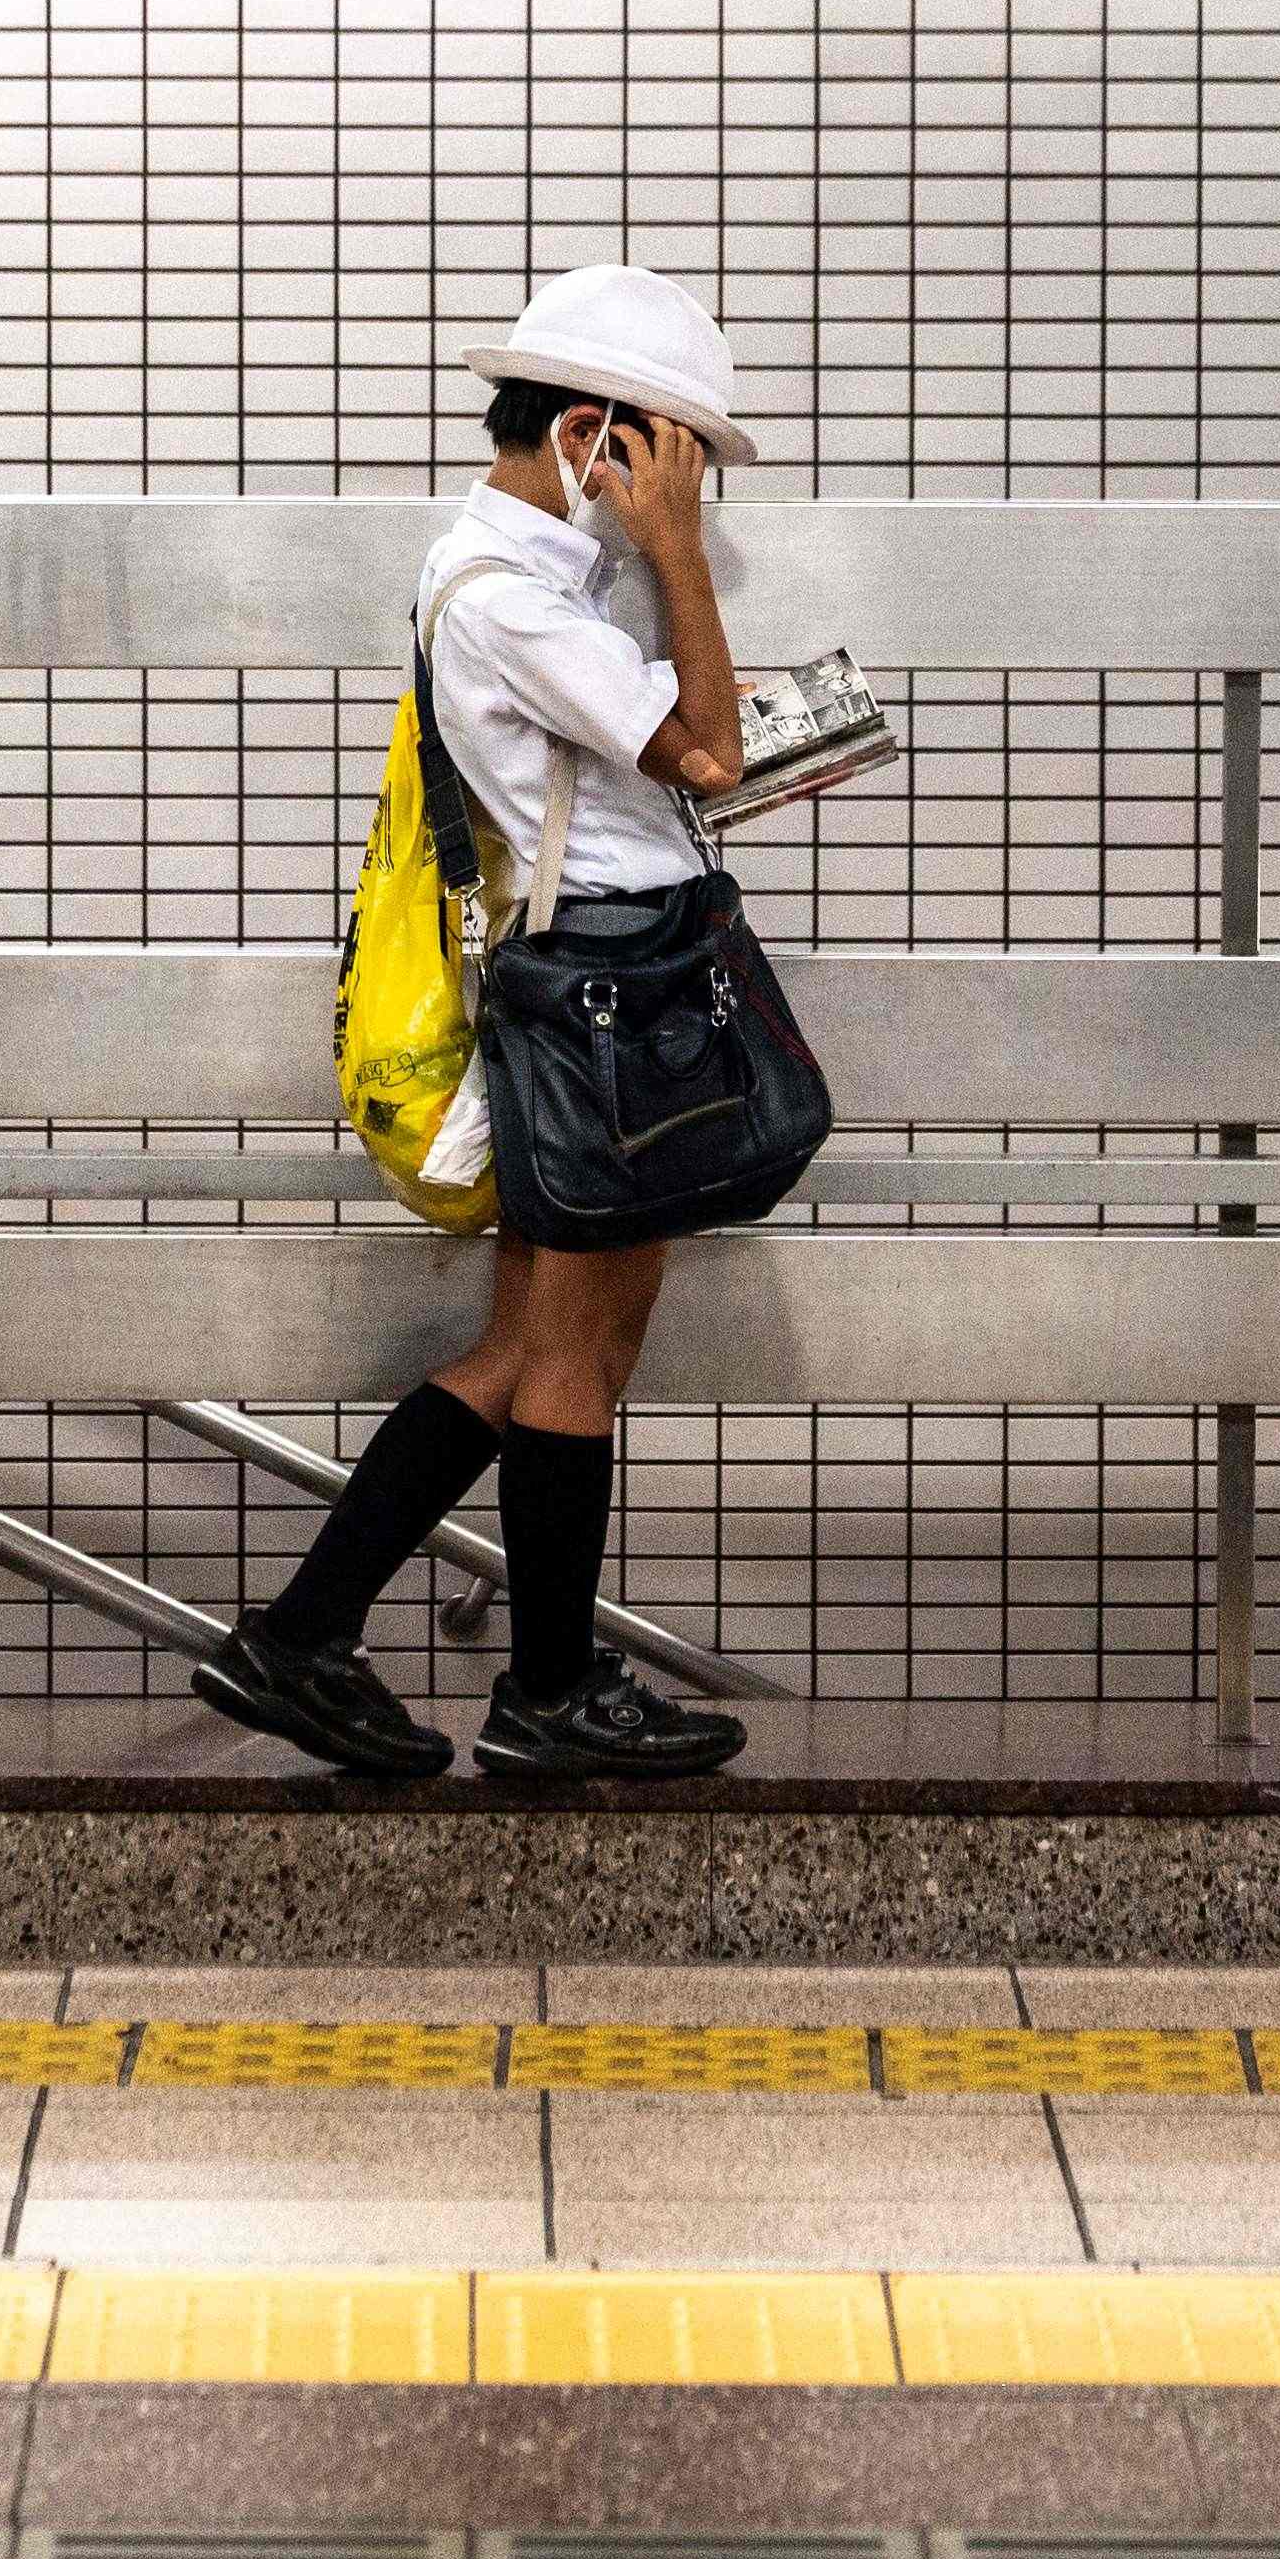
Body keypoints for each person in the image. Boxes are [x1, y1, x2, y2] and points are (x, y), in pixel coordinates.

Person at [191, 266, 769, 1784]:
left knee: (533, 1345)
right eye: (668, 456)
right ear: (593, 435)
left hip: (590, 996)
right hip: (600, 1008)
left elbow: (670, 751)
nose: (679, 489)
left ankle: (305, 1634)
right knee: (568, 1357)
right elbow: (702, 747)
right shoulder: (512, 597)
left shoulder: (520, 584)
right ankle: (550, 1687)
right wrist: (681, 553)